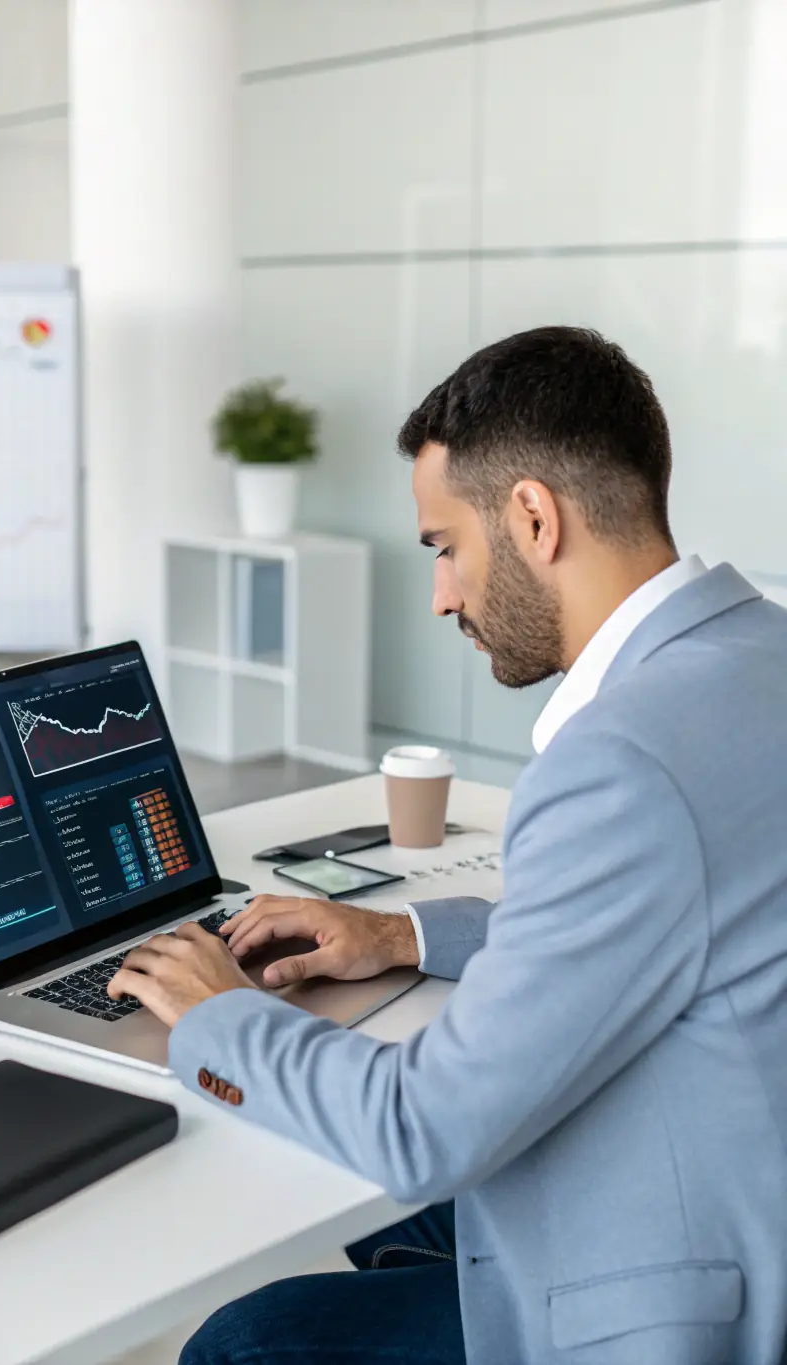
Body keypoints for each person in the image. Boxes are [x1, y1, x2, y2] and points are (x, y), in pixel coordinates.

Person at [109, 326, 787, 1365]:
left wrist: (220, 1016)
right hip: (743, 1180)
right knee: (371, 1226)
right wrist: (401, 935)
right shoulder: (759, 654)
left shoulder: (620, 761)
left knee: (246, 1342)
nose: (440, 594)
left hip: (680, 1284)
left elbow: (420, 1131)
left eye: (443, 546)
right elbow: (673, 919)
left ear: (530, 517)